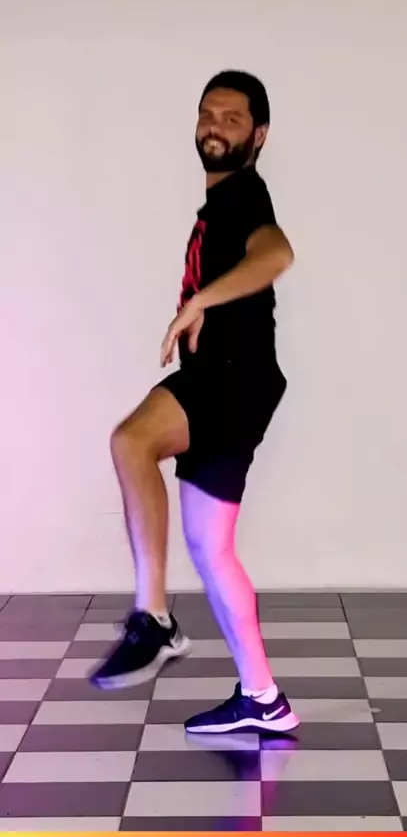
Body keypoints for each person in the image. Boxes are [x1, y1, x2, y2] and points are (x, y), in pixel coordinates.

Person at [90, 70, 298, 734]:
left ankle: (153, 619)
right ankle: (263, 698)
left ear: (258, 136)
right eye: (209, 113)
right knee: (211, 549)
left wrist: (200, 301)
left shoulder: (243, 196)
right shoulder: (216, 206)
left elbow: (277, 253)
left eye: (233, 118)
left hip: (230, 377)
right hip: (240, 385)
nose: (216, 126)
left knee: (131, 441)